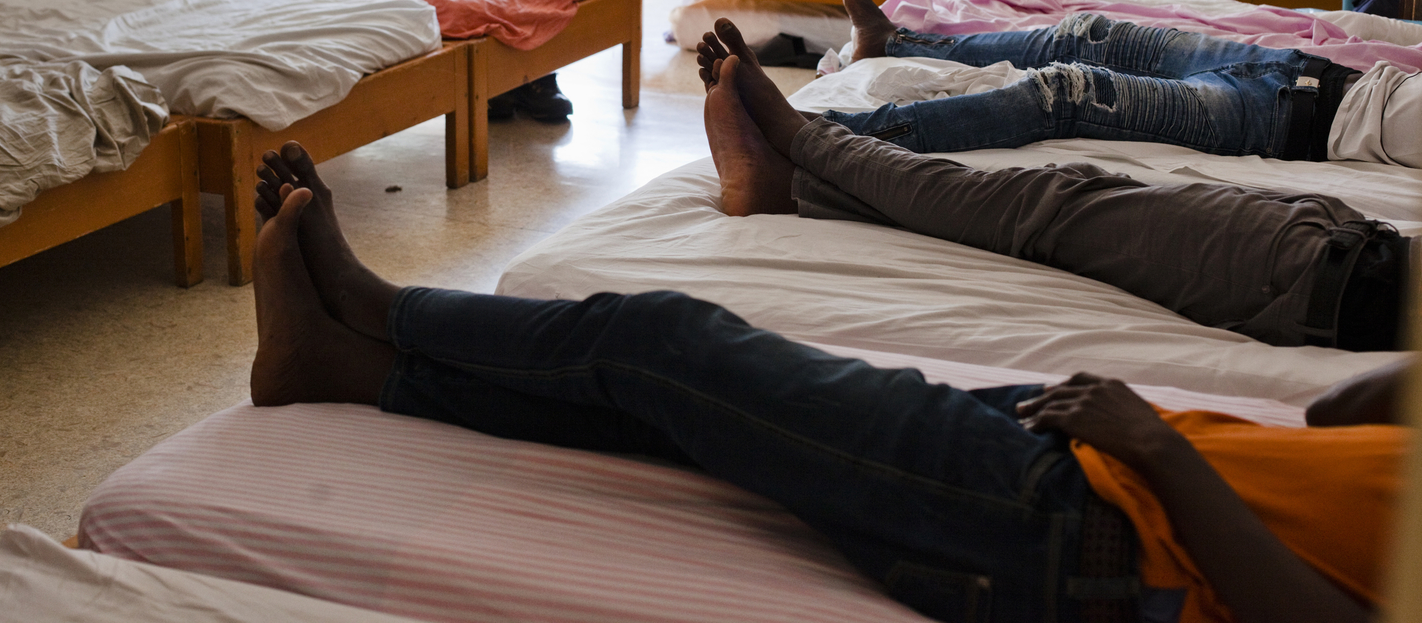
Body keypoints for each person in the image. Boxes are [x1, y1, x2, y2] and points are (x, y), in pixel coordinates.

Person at [247, 136, 1409, 623]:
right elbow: (1338, 415)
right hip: (1095, 481)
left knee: (670, 344)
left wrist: (1157, 448)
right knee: (682, 414)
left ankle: (375, 307)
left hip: (1085, 535)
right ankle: (345, 367)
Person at [694, 13, 1408, 350]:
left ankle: (806, 144)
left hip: (1335, 262)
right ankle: (881, 64)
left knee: (1047, 192)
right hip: (1325, 121)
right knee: (1099, 38)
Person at [719, 0, 1419, 168]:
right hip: (1310, 71)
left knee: (1068, 92)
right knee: (1095, 33)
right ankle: (894, 44)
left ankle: (822, 137)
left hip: (1293, 121)